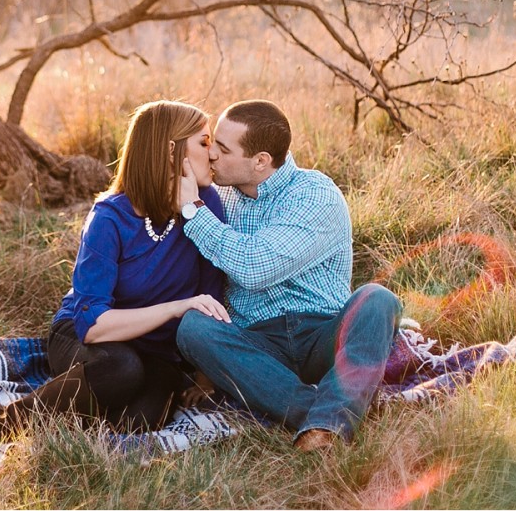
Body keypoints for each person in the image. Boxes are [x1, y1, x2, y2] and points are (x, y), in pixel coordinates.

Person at [173, 99, 402, 452]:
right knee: (193, 327)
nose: (212, 154)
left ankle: (320, 417)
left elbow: (254, 268)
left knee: (378, 298)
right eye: (212, 143)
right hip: (257, 347)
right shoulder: (217, 198)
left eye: (223, 149)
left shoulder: (314, 195)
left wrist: (194, 212)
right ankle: (326, 417)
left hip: (322, 336)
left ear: (261, 161)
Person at [44, 99, 230, 430]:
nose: (213, 153)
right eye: (204, 142)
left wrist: (205, 376)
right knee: (122, 370)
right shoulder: (110, 218)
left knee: (141, 420)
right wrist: (176, 308)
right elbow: (92, 325)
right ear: (172, 152)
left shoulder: (206, 205)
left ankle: (83, 408)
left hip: (155, 351)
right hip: (88, 336)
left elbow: (210, 292)